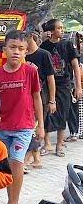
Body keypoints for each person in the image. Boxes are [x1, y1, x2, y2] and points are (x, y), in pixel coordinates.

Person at [0, 30, 44, 204]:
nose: (16, 52)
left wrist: (41, 125)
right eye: (12, 47)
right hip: (1, 128)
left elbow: (37, 97)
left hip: (24, 127)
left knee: (17, 162)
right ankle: (9, 201)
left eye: (21, 49)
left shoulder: (31, 72)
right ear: (4, 50)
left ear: (26, 52)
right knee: (6, 165)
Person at [40, 19, 82, 157]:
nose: (62, 30)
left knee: (63, 113)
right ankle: (47, 144)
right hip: (48, 84)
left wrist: (78, 87)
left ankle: (59, 145)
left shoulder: (68, 44)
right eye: (59, 28)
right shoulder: (44, 46)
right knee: (46, 112)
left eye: (62, 28)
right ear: (51, 31)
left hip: (64, 84)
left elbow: (75, 66)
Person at [24, 30, 56, 169]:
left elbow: (50, 79)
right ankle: (36, 159)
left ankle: (24, 161)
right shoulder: (21, 56)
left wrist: (52, 100)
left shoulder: (44, 54)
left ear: (31, 36)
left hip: (40, 96)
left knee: (35, 128)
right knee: (30, 127)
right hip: (25, 97)